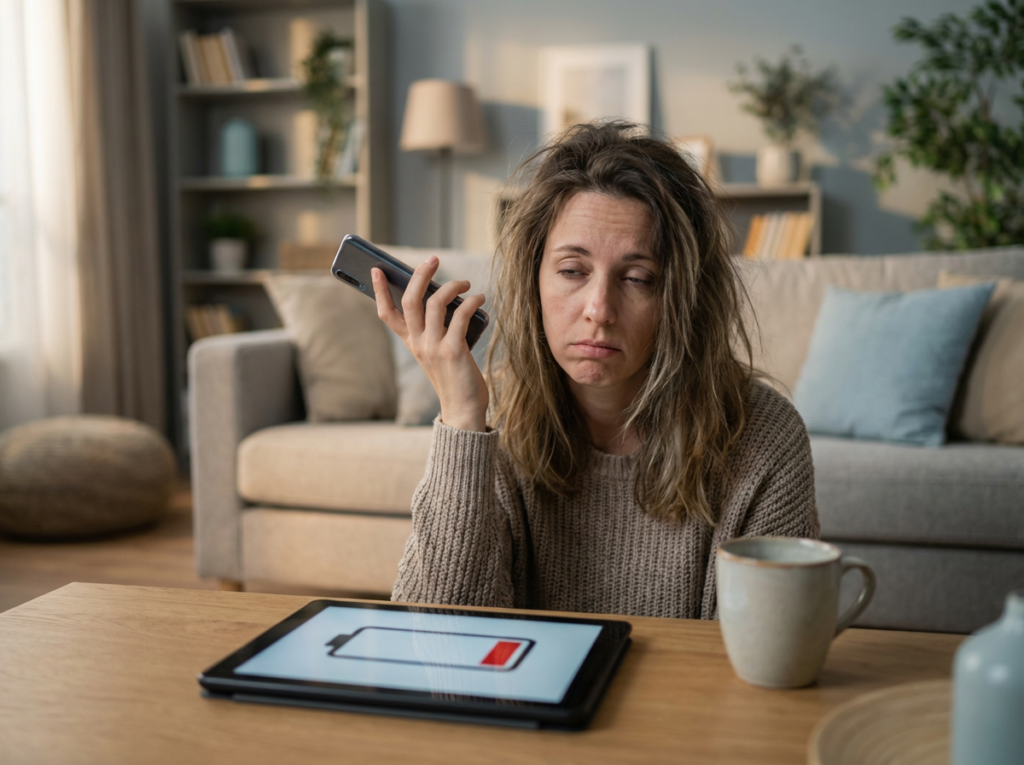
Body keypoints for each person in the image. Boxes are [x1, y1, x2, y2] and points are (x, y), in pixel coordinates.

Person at [372, 121, 818, 620]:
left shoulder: (766, 438)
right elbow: (434, 640)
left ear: (683, 298)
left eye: (637, 278)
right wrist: (460, 417)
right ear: (532, 279)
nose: (599, 309)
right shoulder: (491, 423)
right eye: (571, 271)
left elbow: (764, 655)